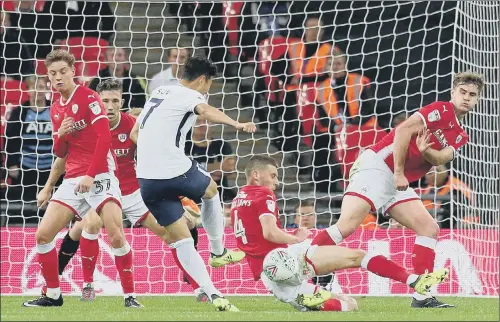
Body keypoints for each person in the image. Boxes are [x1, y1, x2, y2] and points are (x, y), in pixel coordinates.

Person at [311, 72, 485, 308]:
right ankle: (304, 262)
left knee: (429, 228)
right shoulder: (440, 110)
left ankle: (423, 296)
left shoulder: (461, 134)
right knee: (347, 225)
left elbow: (441, 157)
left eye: (472, 95)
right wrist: (399, 173)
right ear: (453, 93)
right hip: (379, 166)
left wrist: (425, 152)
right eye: (462, 92)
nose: (466, 98)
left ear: (478, 100)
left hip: (395, 179)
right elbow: (403, 131)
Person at [36, 79, 203, 301]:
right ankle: (86, 285)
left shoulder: (132, 125)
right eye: (105, 100)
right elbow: (61, 160)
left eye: (115, 100)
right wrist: (48, 187)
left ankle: (197, 286)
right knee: (88, 225)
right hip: (101, 190)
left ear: (122, 101)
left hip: (132, 191)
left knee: (171, 234)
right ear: (97, 101)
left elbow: (155, 156)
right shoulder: (86, 126)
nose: (110, 106)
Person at [230, 155, 448, 312]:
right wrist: (296, 238)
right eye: (273, 176)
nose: (277, 182)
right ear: (256, 175)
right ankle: (414, 281)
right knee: (355, 274)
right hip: (285, 261)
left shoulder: (237, 200)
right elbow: (270, 233)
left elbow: (252, 239)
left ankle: (312, 296)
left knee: (347, 297)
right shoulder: (263, 196)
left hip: (271, 276)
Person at [132, 56, 257, 311]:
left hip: (146, 180)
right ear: (202, 80)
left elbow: (136, 133)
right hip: (172, 169)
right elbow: (206, 112)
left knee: (181, 241)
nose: (208, 90)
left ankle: (213, 295)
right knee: (211, 190)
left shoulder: (160, 91)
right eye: (209, 84)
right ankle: (218, 251)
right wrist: (237, 123)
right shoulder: (191, 96)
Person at [22, 50, 140, 308]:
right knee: (42, 235)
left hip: (100, 174)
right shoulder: (55, 108)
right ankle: (53, 294)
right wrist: (61, 134)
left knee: (116, 235)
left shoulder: (89, 97)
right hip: (73, 178)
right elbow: (60, 152)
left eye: (63, 71)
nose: (58, 77)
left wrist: (90, 175)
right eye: (53, 74)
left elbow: (104, 138)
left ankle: (130, 296)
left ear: (72, 71)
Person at [5, 77, 52, 204]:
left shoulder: (55, 110)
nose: (38, 90)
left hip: (51, 168)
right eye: (34, 87)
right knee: (27, 204)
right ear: (28, 91)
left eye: (41, 87)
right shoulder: (19, 112)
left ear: (47, 89)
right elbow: (10, 139)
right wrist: (12, 164)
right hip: (26, 166)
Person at [416, 164, 473, 229]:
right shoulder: (430, 188)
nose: (426, 177)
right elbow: (426, 207)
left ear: (439, 173)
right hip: (438, 222)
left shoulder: (456, 188)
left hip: (463, 224)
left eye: (430, 173)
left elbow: (461, 212)